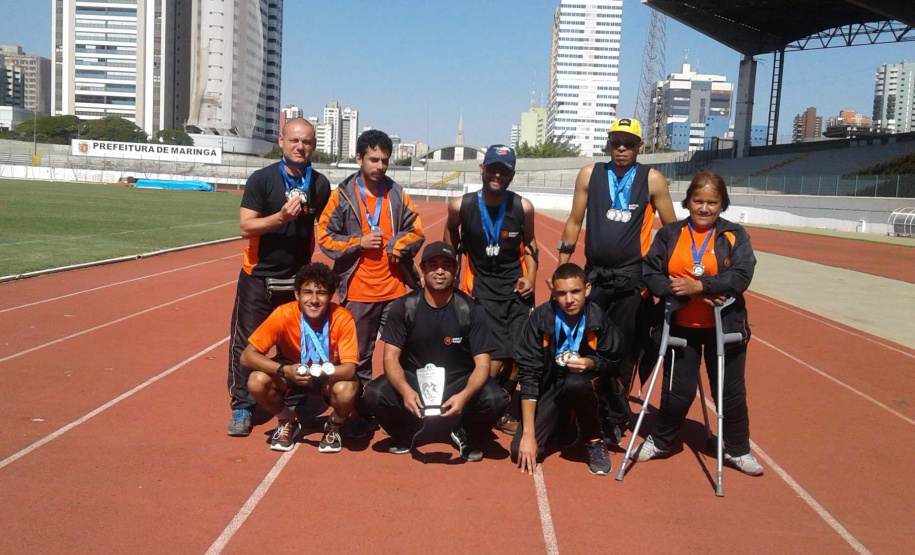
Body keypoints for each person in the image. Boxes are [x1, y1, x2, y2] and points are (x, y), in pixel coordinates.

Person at [632, 171, 763, 476]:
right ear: (688, 201)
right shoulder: (670, 234)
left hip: (725, 328)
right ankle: (662, 440)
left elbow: (742, 274)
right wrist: (681, 291)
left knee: (729, 394)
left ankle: (737, 449)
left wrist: (702, 287)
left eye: (712, 202)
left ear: (722, 204)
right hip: (680, 327)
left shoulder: (735, 235)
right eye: (698, 201)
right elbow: (650, 273)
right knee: (678, 392)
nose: (704, 208)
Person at [556, 117, 677, 446]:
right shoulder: (590, 174)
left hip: (631, 281)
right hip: (595, 276)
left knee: (622, 352)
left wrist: (655, 274)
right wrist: (562, 270)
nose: (622, 149)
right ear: (608, 144)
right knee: (586, 345)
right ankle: (582, 410)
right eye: (616, 143)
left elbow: (671, 232)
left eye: (629, 143)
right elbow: (574, 220)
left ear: (640, 147)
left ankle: (614, 419)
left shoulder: (652, 179)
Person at [227, 118, 332, 437]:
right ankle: (243, 406)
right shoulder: (262, 179)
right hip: (258, 276)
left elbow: (326, 229)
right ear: (282, 141)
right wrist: (280, 217)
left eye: (308, 142)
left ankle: (297, 402)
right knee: (247, 343)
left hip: (299, 282)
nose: (301, 147)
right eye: (295, 140)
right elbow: (246, 228)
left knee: (298, 344)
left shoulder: (320, 184)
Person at [317, 129, 425, 431]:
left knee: (402, 353)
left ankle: (401, 408)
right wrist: (358, 242)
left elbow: (416, 231)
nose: (380, 166)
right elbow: (324, 237)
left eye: (385, 161)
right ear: (359, 158)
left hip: (395, 291)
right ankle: (360, 411)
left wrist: (397, 245)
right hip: (358, 291)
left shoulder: (396, 194)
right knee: (359, 357)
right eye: (374, 159)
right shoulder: (341, 196)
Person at [364, 242, 509, 462]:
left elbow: (482, 364)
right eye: (433, 265)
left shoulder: (471, 310)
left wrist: (464, 395)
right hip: (414, 379)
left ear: (455, 270)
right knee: (374, 394)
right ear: (422, 270)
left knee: (496, 398)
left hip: (458, 380)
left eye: (446, 265)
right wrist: (405, 390)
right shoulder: (404, 307)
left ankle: (465, 432)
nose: (440, 271)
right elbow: (390, 357)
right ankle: (409, 429)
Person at [443, 144, 538, 436]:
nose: (498, 174)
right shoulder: (462, 205)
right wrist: (450, 267)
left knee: (521, 354)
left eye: (504, 170)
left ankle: (504, 405)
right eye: (493, 168)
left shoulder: (523, 207)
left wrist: (532, 275)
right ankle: (486, 405)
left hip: (517, 289)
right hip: (481, 288)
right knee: (493, 356)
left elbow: (532, 245)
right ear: (482, 169)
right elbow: (450, 235)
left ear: (511, 174)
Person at [512, 263, 622, 476]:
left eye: (575, 291)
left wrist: (592, 363)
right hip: (551, 386)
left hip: (588, 384)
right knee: (520, 451)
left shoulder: (598, 318)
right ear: (553, 292)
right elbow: (529, 373)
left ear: (587, 289)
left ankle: (593, 438)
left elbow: (614, 360)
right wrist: (528, 434)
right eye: (561, 293)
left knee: (577, 383)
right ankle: (568, 422)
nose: (569, 299)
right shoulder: (540, 318)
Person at [240, 263, 360, 453]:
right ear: (297, 294)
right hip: (290, 368)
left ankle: (335, 424)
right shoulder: (283, 314)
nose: (313, 299)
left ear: (330, 296)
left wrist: (320, 372)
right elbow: (247, 356)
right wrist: (284, 370)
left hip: (328, 374)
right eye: (307, 292)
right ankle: (287, 419)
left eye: (320, 293)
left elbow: (349, 369)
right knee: (256, 380)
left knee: (348, 390)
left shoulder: (342, 317)